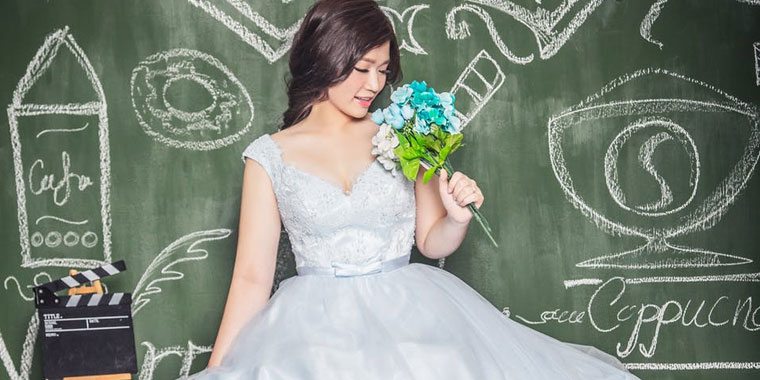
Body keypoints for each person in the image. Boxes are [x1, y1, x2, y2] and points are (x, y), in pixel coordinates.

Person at [185, 0, 640, 378]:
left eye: (384, 70)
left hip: (411, 315)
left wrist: (457, 218)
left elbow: (430, 239)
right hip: (314, 334)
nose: (375, 85)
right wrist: (216, 371)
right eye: (362, 68)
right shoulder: (269, 156)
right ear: (324, 59)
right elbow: (250, 278)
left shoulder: (406, 133)